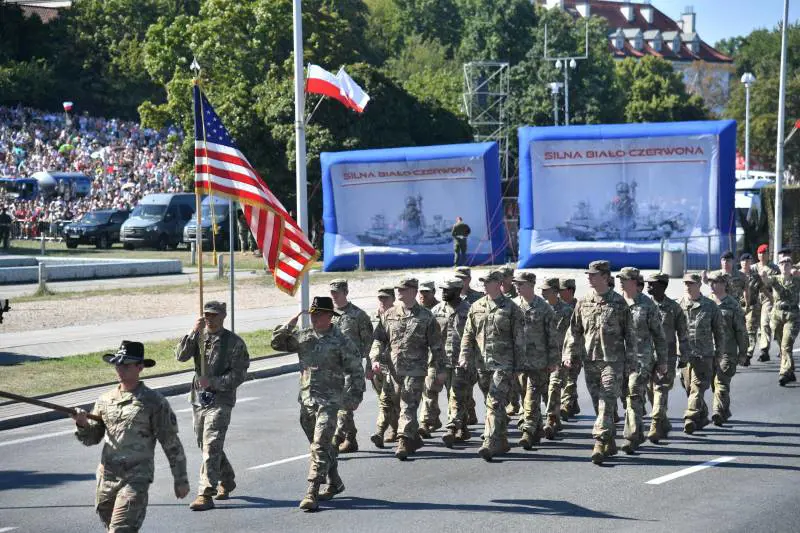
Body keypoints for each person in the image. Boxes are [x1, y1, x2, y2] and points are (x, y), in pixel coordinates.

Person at [73, 341, 190, 531]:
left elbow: (171, 442)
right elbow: (92, 438)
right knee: (112, 526)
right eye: (117, 364)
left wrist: (181, 479)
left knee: (121, 529)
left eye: (126, 365)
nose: (120, 369)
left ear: (140, 367)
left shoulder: (154, 402)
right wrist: (82, 423)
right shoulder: (105, 400)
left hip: (136, 477)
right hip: (107, 478)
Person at [271, 297, 364, 511]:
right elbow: (277, 343)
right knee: (318, 446)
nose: (314, 318)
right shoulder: (304, 336)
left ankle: (311, 491)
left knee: (321, 444)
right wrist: (291, 323)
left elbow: (356, 370)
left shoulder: (341, 341)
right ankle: (335, 481)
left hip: (330, 402)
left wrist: (354, 397)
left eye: (319, 315)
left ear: (330, 316)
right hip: (307, 401)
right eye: (312, 314)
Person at [175, 301, 250, 511]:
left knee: (212, 443)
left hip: (221, 400)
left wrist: (215, 382)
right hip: (199, 398)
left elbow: (239, 374)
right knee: (205, 444)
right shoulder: (199, 336)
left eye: (214, 315)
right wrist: (193, 331)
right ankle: (227, 478)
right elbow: (181, 356)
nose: (210, 319)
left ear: (223, 316)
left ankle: (205, 493)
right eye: (207, 315)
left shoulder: (234, 343)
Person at [563, 261, 636, 465]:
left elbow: (630, 335)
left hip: (613, 362)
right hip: (590, 360)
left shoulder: (619, 303)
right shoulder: (583, 302)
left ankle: (599, 442)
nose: (589, 277)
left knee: (606, 401)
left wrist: (632, 361)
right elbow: (574, 331)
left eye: (594, 274)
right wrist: (569, 353)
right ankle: (609, 440)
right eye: (588, 274)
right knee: (598, 403)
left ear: (605, 277)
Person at [369, 277, 446, 460]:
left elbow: (436, 346)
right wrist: (375, 358)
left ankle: (403, 440)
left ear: (413, 291)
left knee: (408, 405)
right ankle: (414, 438)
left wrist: (440, 370)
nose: (399, 292)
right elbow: (379, 339)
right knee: (394, 403)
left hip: (416, 369)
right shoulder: (389, 314)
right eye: (398, 289)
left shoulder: (426, 317)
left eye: (403, 289)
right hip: (393, 370)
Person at [460, 268, 525, 461]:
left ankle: (490, 441)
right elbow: (468, 334)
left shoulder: (511, 308)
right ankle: (502, 439)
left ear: (498, 284)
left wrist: (518, 367)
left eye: (488, 282)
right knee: (491, 402)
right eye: (483, 282)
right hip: (482, 364)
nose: (484, 285)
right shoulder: (476, 306)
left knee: (494, 401)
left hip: (504, 364)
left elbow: (519, 339)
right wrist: (464, 356)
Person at [617, 267, 668, 454]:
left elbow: (659, 335)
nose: (621, 282)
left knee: (633, 392)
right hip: (619, 359)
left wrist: (662, 360)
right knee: (627, 398)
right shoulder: (616, 303)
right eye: (619, 279)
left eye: (624, 279)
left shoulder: (647, 305)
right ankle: (638, 429)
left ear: (634, 281)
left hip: (641, 358)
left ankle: (631, 436)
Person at [512, 271, 559, 449]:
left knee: (531, 396)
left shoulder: (544, 308)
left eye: (521, 284)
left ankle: (528, 430)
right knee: (525, 395)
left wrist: (553, 360)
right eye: (516, 283)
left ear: (531, 285)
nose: (517, 286)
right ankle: (537, 428)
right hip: (519, 362)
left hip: (539, 362)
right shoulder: (514, 306)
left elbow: (552, 336)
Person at [329, 279, 373, 454]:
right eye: (332, 293)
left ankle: (337, 438)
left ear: (345, 292)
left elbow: (369, 342)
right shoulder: (328, 314)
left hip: (351, 369)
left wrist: (370, 365)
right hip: (332, 369)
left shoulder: (358, 315)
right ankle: (351, 438)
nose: (334, 296)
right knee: (337, 406)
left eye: (337, 292)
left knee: (344, 405)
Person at [678, 273, 726, 434]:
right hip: (684, 356)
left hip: (704, 355)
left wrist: (719, 353)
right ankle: (703, 414)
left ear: (699, 285)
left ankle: (690, 417)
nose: (687, 286)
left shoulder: (710, 306)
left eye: (691, 283)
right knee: (687, 387)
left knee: (697, 388)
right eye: (685, 283)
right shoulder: (679, 305)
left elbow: (719, 332)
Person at [644, 272, 689, 442]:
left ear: (662, 286)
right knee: (650, 391)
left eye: (652, 284)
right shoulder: (644, 305)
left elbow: (683, 334)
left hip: (667, 356)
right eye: (647, 283)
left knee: (660, 389)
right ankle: (663, 421)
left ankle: (655, 424)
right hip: (647, 356)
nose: (648, 286)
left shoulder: (674, 308)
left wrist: (684, 356)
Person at [428, 277, 471, 447]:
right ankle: (463, 427)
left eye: (448, 290)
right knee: (447, 394)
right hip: (442, 360)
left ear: (459, 290)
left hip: (463, 360)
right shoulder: (436, 310)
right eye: (443, 289)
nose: (444, 293)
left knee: (456, 395)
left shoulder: (469, 310)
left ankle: (451, 428)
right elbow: (431, 336)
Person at [707, 270, 748, 425]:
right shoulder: (706, 303)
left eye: (715, 281)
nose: (711, 284)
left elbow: (741, 331)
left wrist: (743, 352)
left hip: (727, 352)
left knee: (721, 381)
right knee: (713, 383)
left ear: (724, 284)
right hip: (709, 352)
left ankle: (717, 411)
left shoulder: (733, 305)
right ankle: (725, 409)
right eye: (709, 281)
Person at [761, 253, 800, 386]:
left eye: (787, 263)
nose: (784, 265)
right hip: (777, 315)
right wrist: (764, 277)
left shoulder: (797, 280)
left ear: (791, 266)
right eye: (782, 263)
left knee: (786, 344)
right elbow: (766, 282)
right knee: (781, 342)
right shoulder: (775, 279)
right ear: (779, 266)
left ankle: (784, 372)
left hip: (792, 315)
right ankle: (791, 370)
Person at [541, 277, 572, 438]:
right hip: (542, 357)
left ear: (555, 291)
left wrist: (570, 355)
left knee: (553, 386)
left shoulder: (567, 311)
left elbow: (573, 335)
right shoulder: (541, 309)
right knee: (546, 390)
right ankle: (556, 416)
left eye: (545, 290)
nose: (542, 293)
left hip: (560, 357)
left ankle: (551, 420)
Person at [370, 286, 400, 447]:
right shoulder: (375, 317)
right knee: (385, 401)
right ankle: (395, 430)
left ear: (393, 299)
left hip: (396, 366)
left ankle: (391, 431)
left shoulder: (400, 316)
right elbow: (374, 341)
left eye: (385, 298)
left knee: (391, 401)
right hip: (378, 366)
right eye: (380, 298)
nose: (382, 301)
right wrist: (371, 362)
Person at [558, 278, 582, 421]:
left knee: (570, 378)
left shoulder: (579, 306)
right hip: (558, 349)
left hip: (575, 350)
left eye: (562, 290)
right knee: (560, 380)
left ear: (570, 290)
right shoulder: (555, 307)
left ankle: (566, 405)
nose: (559, 293)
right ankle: (573, 403)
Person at [753, 244, 779, 361]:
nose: (762, 255)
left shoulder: (774, 268)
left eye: (764, 253)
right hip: (754, 298)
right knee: (755, 325)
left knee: (764, 323)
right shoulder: (753, 268)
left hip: (768, 297)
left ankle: (764, 350)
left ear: (768, 254)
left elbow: (777, 285)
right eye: (760, 253)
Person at [739, 253, 764, 366]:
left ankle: (748, 354)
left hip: (753, 307)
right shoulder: (736, 276)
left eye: (748, 261)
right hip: (739, 307)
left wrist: (771, 299)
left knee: (751, 330)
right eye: (743, 261)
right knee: (739, 331)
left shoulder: (755, 276)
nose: (745, 263)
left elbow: (763, 288)